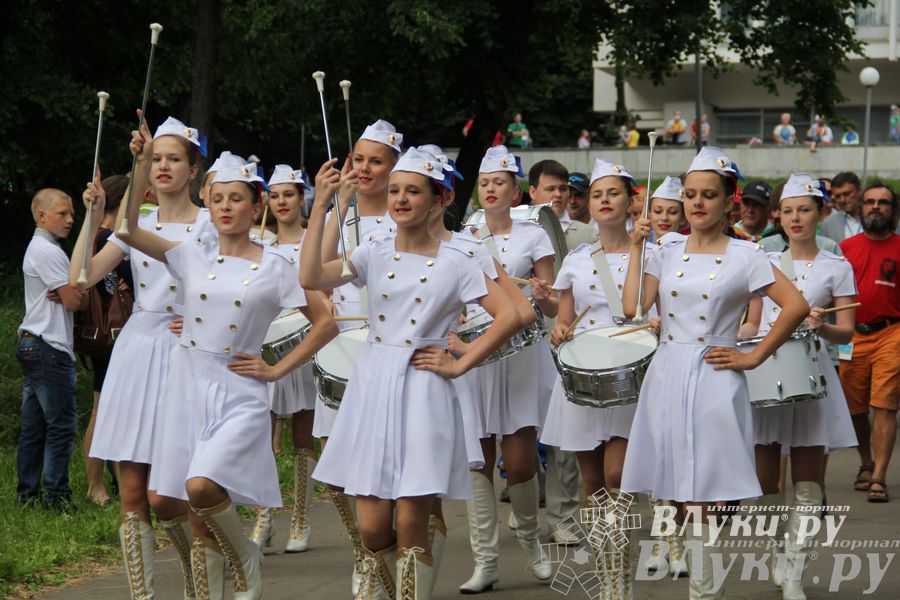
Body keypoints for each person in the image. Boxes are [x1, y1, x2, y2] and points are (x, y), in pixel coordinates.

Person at [113, 120, 338, 599]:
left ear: (256, 205)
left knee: (201, 489)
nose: (226, 208)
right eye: (218, 199)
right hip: (186, 383)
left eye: (237, 199)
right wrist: (139, 163)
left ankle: (246, 558)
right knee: (170, 502)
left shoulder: (277, 266)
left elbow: (326, 323)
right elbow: (126, 228)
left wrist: (277, 369)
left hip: (239, 389)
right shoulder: (192, 254)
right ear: (209, 206)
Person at [302, 148, 519, 600]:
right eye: (396, 190)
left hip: (423, 387)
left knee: (408, 518)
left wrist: (459, 363)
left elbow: (510, 316)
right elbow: (310, 275)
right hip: (373, 382)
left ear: (439, 200)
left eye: (413, 191)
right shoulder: (372, 251)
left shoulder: (458, 259)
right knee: (372, 526)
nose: (400, 199)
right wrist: (323, 204)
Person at [620, 146, 809, 600]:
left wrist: (753, 356)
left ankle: (704, 594)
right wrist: (634, 247)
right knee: (676, 493)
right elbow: (632, 309)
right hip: (666, 372)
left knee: (703, 496)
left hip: (714, 374)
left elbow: (796, 306)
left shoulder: (747, 255)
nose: (696, 203)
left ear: (730, 201)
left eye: (708, 195)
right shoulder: (663, 249)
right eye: (689, 194)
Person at [70, 114, 212, 599]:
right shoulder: (138, 223)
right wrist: (93, 215)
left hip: (189, 352)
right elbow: (81, 279)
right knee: (132, 494)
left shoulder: (213, 223)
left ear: (194, 170)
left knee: (173, 496)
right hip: (137, 351)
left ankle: (199, 585)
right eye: (158, 159)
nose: (165, 167)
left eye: (175, 159)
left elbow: (230, 288)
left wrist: (199, 319)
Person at [540, 158, 661, 597]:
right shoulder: (574, 260)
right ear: (586, 203)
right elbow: (565, 325)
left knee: (617, 476)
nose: (604, 200)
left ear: (631, 201)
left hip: (631, 375)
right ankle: (610, 580)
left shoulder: (653, 252)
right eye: (596, 194)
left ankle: (620, 582)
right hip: (585, 377)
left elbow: (645, 310)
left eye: (613, 193)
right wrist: (559, 331)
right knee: (593, 485)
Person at [740, 174, 858, 599]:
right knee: (766, 478)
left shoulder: (837, 267)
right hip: (766, 368)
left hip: (812, 373)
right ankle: (777, 549)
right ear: (778, 215)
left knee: (807, 481)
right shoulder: (761, 263)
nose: (795, 218)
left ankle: (794, 568)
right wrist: (739, 339)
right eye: (787, 211)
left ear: (821, 214)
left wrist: (823, 325)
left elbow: (847, 331)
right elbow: (752, 321)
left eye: (804, 209)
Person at [455, 145, 559, 592]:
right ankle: (486, 562)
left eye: (500, 182)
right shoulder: (464, 235)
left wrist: (542, 293)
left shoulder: (534, 234)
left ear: (516, 192)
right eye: (485, 183)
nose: (491, 189)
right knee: (478, 459)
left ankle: (531, 540)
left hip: (519, 353)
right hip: (476, 352)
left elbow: (553, 301)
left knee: (518, 461)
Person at [318, 119, 401, 595]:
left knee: (396, 474)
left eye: (376, 161)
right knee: (337, 467)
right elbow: (316, 275)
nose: (365, 168)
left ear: (393, 169)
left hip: (390, 355)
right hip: (341, 351)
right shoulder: (340, 212)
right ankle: (364, 553)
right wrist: (335, 205)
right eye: (359, 159)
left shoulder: (405, 215)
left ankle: (401, 561)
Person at [247, 164, 320, 554]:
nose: (281, 203)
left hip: (307, 345)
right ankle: (264, 517)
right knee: (262, 435)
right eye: (274, 196)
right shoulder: (259, 243)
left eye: (288, 195)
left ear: (301, 196)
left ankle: (301, 520)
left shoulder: (316, 240)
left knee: (303, 437)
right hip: (267, 344)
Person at [17, 188, 81, 510]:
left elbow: (68, 294)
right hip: (49, 346)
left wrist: (70, 290)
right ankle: (57, 498)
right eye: (62, 214)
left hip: (33, 342)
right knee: (61, 425)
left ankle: (27, 496)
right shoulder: (47, 251)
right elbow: (73, 300)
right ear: (42, 216)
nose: (70, 219)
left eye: (71, 214)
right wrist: (74, 291)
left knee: (35, 426)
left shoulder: (41, 248)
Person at [839, 181, 900, 503]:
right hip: (851, 337)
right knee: (854, 409)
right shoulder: (845, 248)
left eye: (883, 202)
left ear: (893, 210)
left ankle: (879, 476)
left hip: (892, 333)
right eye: (871, 202)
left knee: (884, 405)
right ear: (861, 208)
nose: (876, 206)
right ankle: (866, 462)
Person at [80, 174, 133, 507]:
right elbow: (106, 286)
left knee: (111, 409)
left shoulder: (108, 236)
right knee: (102, 409)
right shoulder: (106, 238)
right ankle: (95, 484)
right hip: (111, 335)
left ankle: (111, 480)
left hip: (118, 336)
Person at [530, 160, 598, 249]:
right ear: (532, 192)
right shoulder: (515, 230)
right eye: (550, 189)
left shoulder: (590, 236)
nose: (558, 194)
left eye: (563, 189)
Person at [821, 171, 863, 244]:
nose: (842, 200)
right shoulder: (828, 224)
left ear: (859, 190)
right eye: (837, 196)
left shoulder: (875, 217)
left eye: (847, 194)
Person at [649, 176, 687, 242]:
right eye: (657, 211)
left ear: (683, 217)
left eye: (673, 212)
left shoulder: (690, 249)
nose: (664, 218)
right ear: (649, 214)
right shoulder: (639, 244)